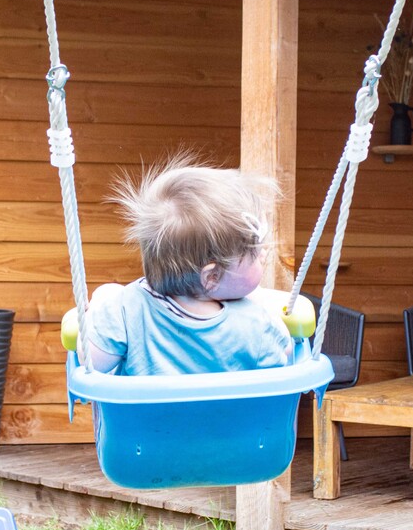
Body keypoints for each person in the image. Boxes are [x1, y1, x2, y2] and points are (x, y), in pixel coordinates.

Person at [84, 158, 294, 376]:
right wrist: (260, 305)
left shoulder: (126, 308)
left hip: (148, 412)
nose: (264, 253)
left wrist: (100, 306)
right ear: (211, 277)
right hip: (226, 412)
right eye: (255, 251)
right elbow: (285, 353)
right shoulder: (255, 322)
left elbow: (90, 360)